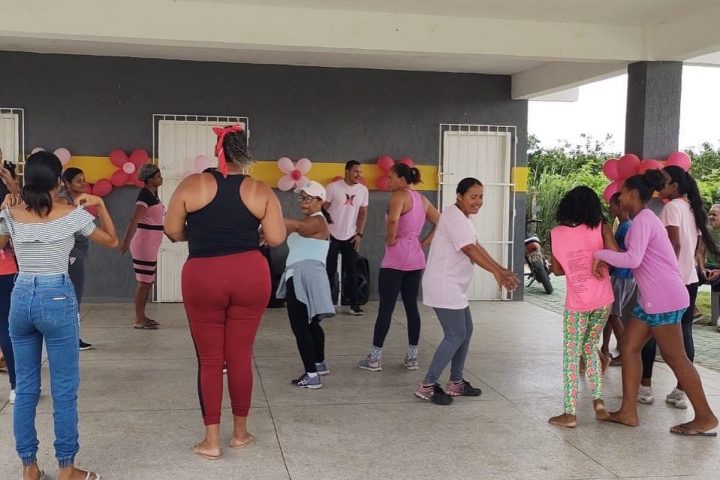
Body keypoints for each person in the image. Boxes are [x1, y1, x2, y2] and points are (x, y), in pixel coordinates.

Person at [164, 125, 285, 460]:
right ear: (244, 153)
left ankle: (212, 441)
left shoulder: (193, 184)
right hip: (250, 273)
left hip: (204, 275)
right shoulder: (260, 189)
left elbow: (172, 229)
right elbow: (276, 238)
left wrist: (198, 233)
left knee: (210, 360)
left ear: (218, 149)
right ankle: (241, 434)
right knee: (241, 356)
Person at [0, 151, 119, 480]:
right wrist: (101, 205)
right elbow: (113, 240)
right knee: (64, 388)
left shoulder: (10, 212)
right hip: (56, 295)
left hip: (21, 295)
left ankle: (29, 468)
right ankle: (67, 468)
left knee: (26, 388)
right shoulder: (72, 215)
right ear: (57, 182)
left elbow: (0, 242)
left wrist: (5, 206)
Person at [594, 170, 718, 435]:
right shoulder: (644, 218)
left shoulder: (643, 221)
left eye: (622, 193)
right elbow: (634, 257)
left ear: (632, 194)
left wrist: (599, 253)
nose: (618, 198)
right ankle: (628, 412)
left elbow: (633, 259)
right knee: (629, 348)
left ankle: (705, 417)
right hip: (650, 300)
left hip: (663, 299)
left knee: (676, 358)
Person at [414, 177, 518, 405]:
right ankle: (427, 386)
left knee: (465, 331)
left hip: (453, 285)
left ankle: (456, 382)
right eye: (473, 196)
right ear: (459, 196)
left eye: (481, 197)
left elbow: (476, 245)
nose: (478, 201)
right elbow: (469, 249)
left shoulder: (463, 217)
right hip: (444, 284)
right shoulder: (453, 217)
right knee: (455, 335)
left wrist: (500, 269)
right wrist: (496, 273)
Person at [637, 166, 719, 408]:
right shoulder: (691, 208)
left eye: (665, 180)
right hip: (688, 280)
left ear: (675, 185)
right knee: (685, 333)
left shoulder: (672, 207)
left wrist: (661, 276)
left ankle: (645, 387)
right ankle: (680, 392)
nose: (660, 184)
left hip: (669, 283)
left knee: (651, 333)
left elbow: (673, 245)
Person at [358, 163, 439, 372]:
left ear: (402, 180)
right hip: (416, 258)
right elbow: (440, 222)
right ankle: (412, 358)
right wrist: (423, 243)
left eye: (391, 177)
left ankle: (375, 358)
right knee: (412, 307)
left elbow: (393, 220)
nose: (388, 181)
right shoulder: (422, 199)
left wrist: (390, 238)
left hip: (396, 257)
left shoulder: (398, 196)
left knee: (386, 308)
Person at [547, 186, 615, 428]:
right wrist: (595, 256)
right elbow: (616, 256)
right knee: (590, 346)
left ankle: (570, 414)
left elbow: (556, 270)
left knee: (571, 354)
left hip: (577, 303)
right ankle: (599, 403)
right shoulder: (602, 227)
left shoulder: (556, 233)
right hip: (603, 299)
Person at [276, 181, 335, 389]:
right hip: (304, 274)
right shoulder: (312, 220)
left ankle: (312, 375)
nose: (303, 201)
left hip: (305, 275)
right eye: (302, 197)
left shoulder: (317, 221)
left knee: (300, 325)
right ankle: (319, 363)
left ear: (321, 201)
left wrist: (270, 217)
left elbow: (298, 227)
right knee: (311, 324)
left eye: (308, 198)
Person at [119, 163, 165, 329]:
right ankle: (139, 319)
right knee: (144, 282)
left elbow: (158, 220)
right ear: (149, 179)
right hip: (144, 243)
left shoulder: (153, 195)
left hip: (150, 243)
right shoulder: (144, 196)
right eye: (158, 176)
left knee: (147, 281)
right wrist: (125, 243)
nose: (161, 178)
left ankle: (142, 316)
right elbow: (133, 220)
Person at [324, 160, 369, 315]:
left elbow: (363, 214)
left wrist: (359, 234)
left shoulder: (363, 190)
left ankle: (354, 305)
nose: (358, 175)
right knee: (329, 270)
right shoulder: (332, 188)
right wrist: (324, 230)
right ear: (347, 171)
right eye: (356, 171)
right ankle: (326, 305)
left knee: (352, 270)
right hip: (331, 235)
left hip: (350, 236)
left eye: (360, 172)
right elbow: (322, 210)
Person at [57, 168, 93, 350]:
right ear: (67, 183)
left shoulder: (77, 200)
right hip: (71, 253)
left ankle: (72, 336)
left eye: (84, 180)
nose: (83, 184)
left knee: (74, 296)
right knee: (73, 295)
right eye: (79, 181)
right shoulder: (64, 201)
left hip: (77, 251)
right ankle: (72, 338)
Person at [600, 192, 636, 366]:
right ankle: (605, 347)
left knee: (614, 314)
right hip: (623, 275)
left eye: (612, 204)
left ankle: (625, 353)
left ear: (620, 205)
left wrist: (607, 253)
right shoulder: (623, 225)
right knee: (610, 314)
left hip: (622, 275)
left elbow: (629, 253)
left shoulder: (627, 227)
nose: (609, 208)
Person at [0, 157, 19, 404]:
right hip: (4, 268)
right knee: (6, 327)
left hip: (5, 268)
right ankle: (17, 385)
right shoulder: (6, 194)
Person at [698, 204, 720, 329]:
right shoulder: (706, 231)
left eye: (714, 214)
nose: (710, 217)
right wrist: (702, 269)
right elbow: (700, 252)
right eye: (710, 214)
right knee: (689, 278)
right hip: (708, 267)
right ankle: (692, 312)